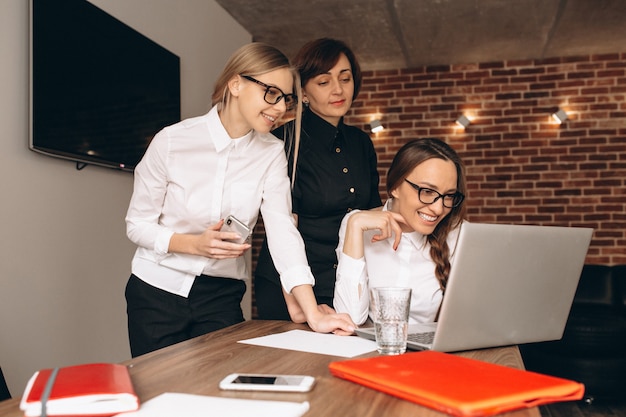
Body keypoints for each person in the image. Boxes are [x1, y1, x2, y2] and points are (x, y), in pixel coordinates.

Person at [124, 42, 355, 357]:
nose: (278, 108)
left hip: (222, 296)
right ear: (235, 84)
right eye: (270, 93)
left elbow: (282, 231)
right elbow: (137, 225)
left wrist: (312, 311)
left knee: (223, 394)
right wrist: (192, 244)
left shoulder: (271, 152)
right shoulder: (171, 142)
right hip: (155, 292)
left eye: (285, 99)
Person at [254, 38, 382, 320]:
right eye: (324, 82)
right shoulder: (286, 140)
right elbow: (284, 225)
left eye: (345, 79)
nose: (338, 90)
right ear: (304, 92)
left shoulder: (361, 143)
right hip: (293, 288)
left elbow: (372, 213)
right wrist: (300, 303)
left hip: (344, 283)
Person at [333, 138, 467, 325]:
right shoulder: (357, 224)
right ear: (395, 186)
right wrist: (355, 224)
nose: (438, 209)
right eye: (427, 191)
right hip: (375, 349)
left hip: (431, 351)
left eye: (449, 195)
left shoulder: (459, 235)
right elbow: (351, 318)